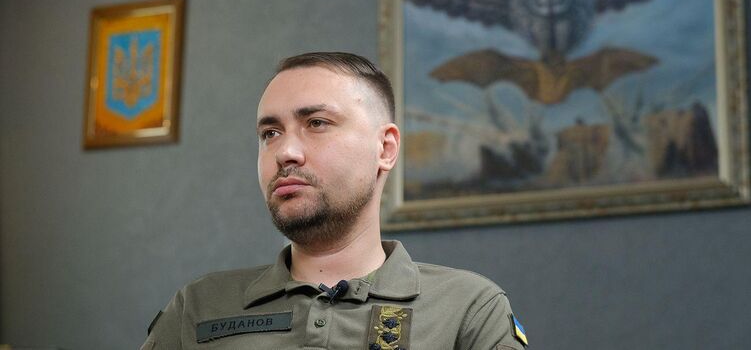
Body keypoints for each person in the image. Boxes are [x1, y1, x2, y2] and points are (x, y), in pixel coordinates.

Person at [140, 52, 528, 350]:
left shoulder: (468, 309)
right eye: (270, 133)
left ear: (385, 148)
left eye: (317, 123)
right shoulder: (197, 307)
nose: (285, 152)